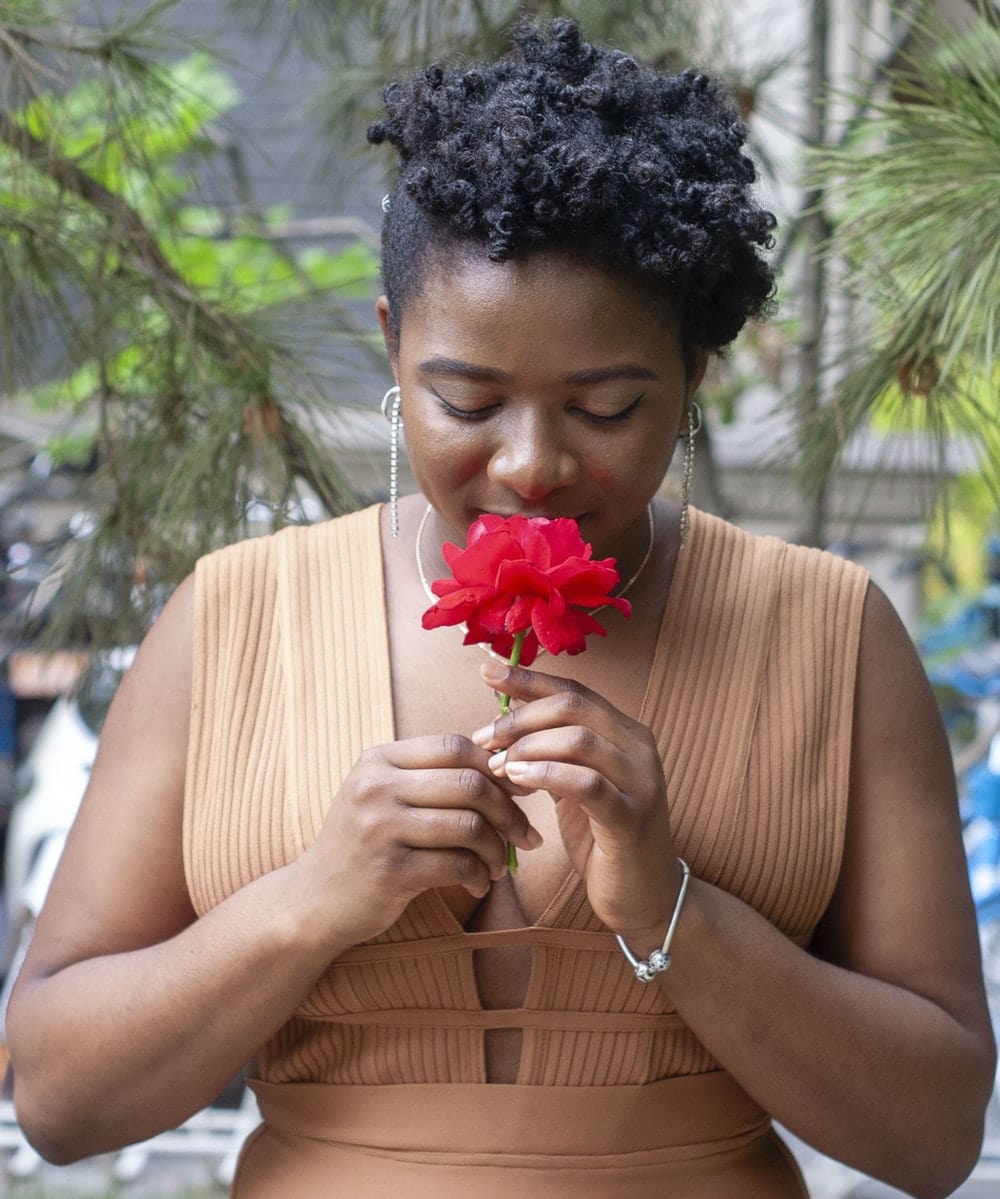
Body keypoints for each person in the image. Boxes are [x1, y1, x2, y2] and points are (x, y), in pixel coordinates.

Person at [6, 17, 996, 1198]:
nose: (531, 463)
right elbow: (58, 1102)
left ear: (693, 375)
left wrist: (673, 905)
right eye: (467, 400)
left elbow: (933, 1137)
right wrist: (309, 901)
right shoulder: (231, 619)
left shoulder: (832, 637)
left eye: (606, 406)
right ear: (393, 347)